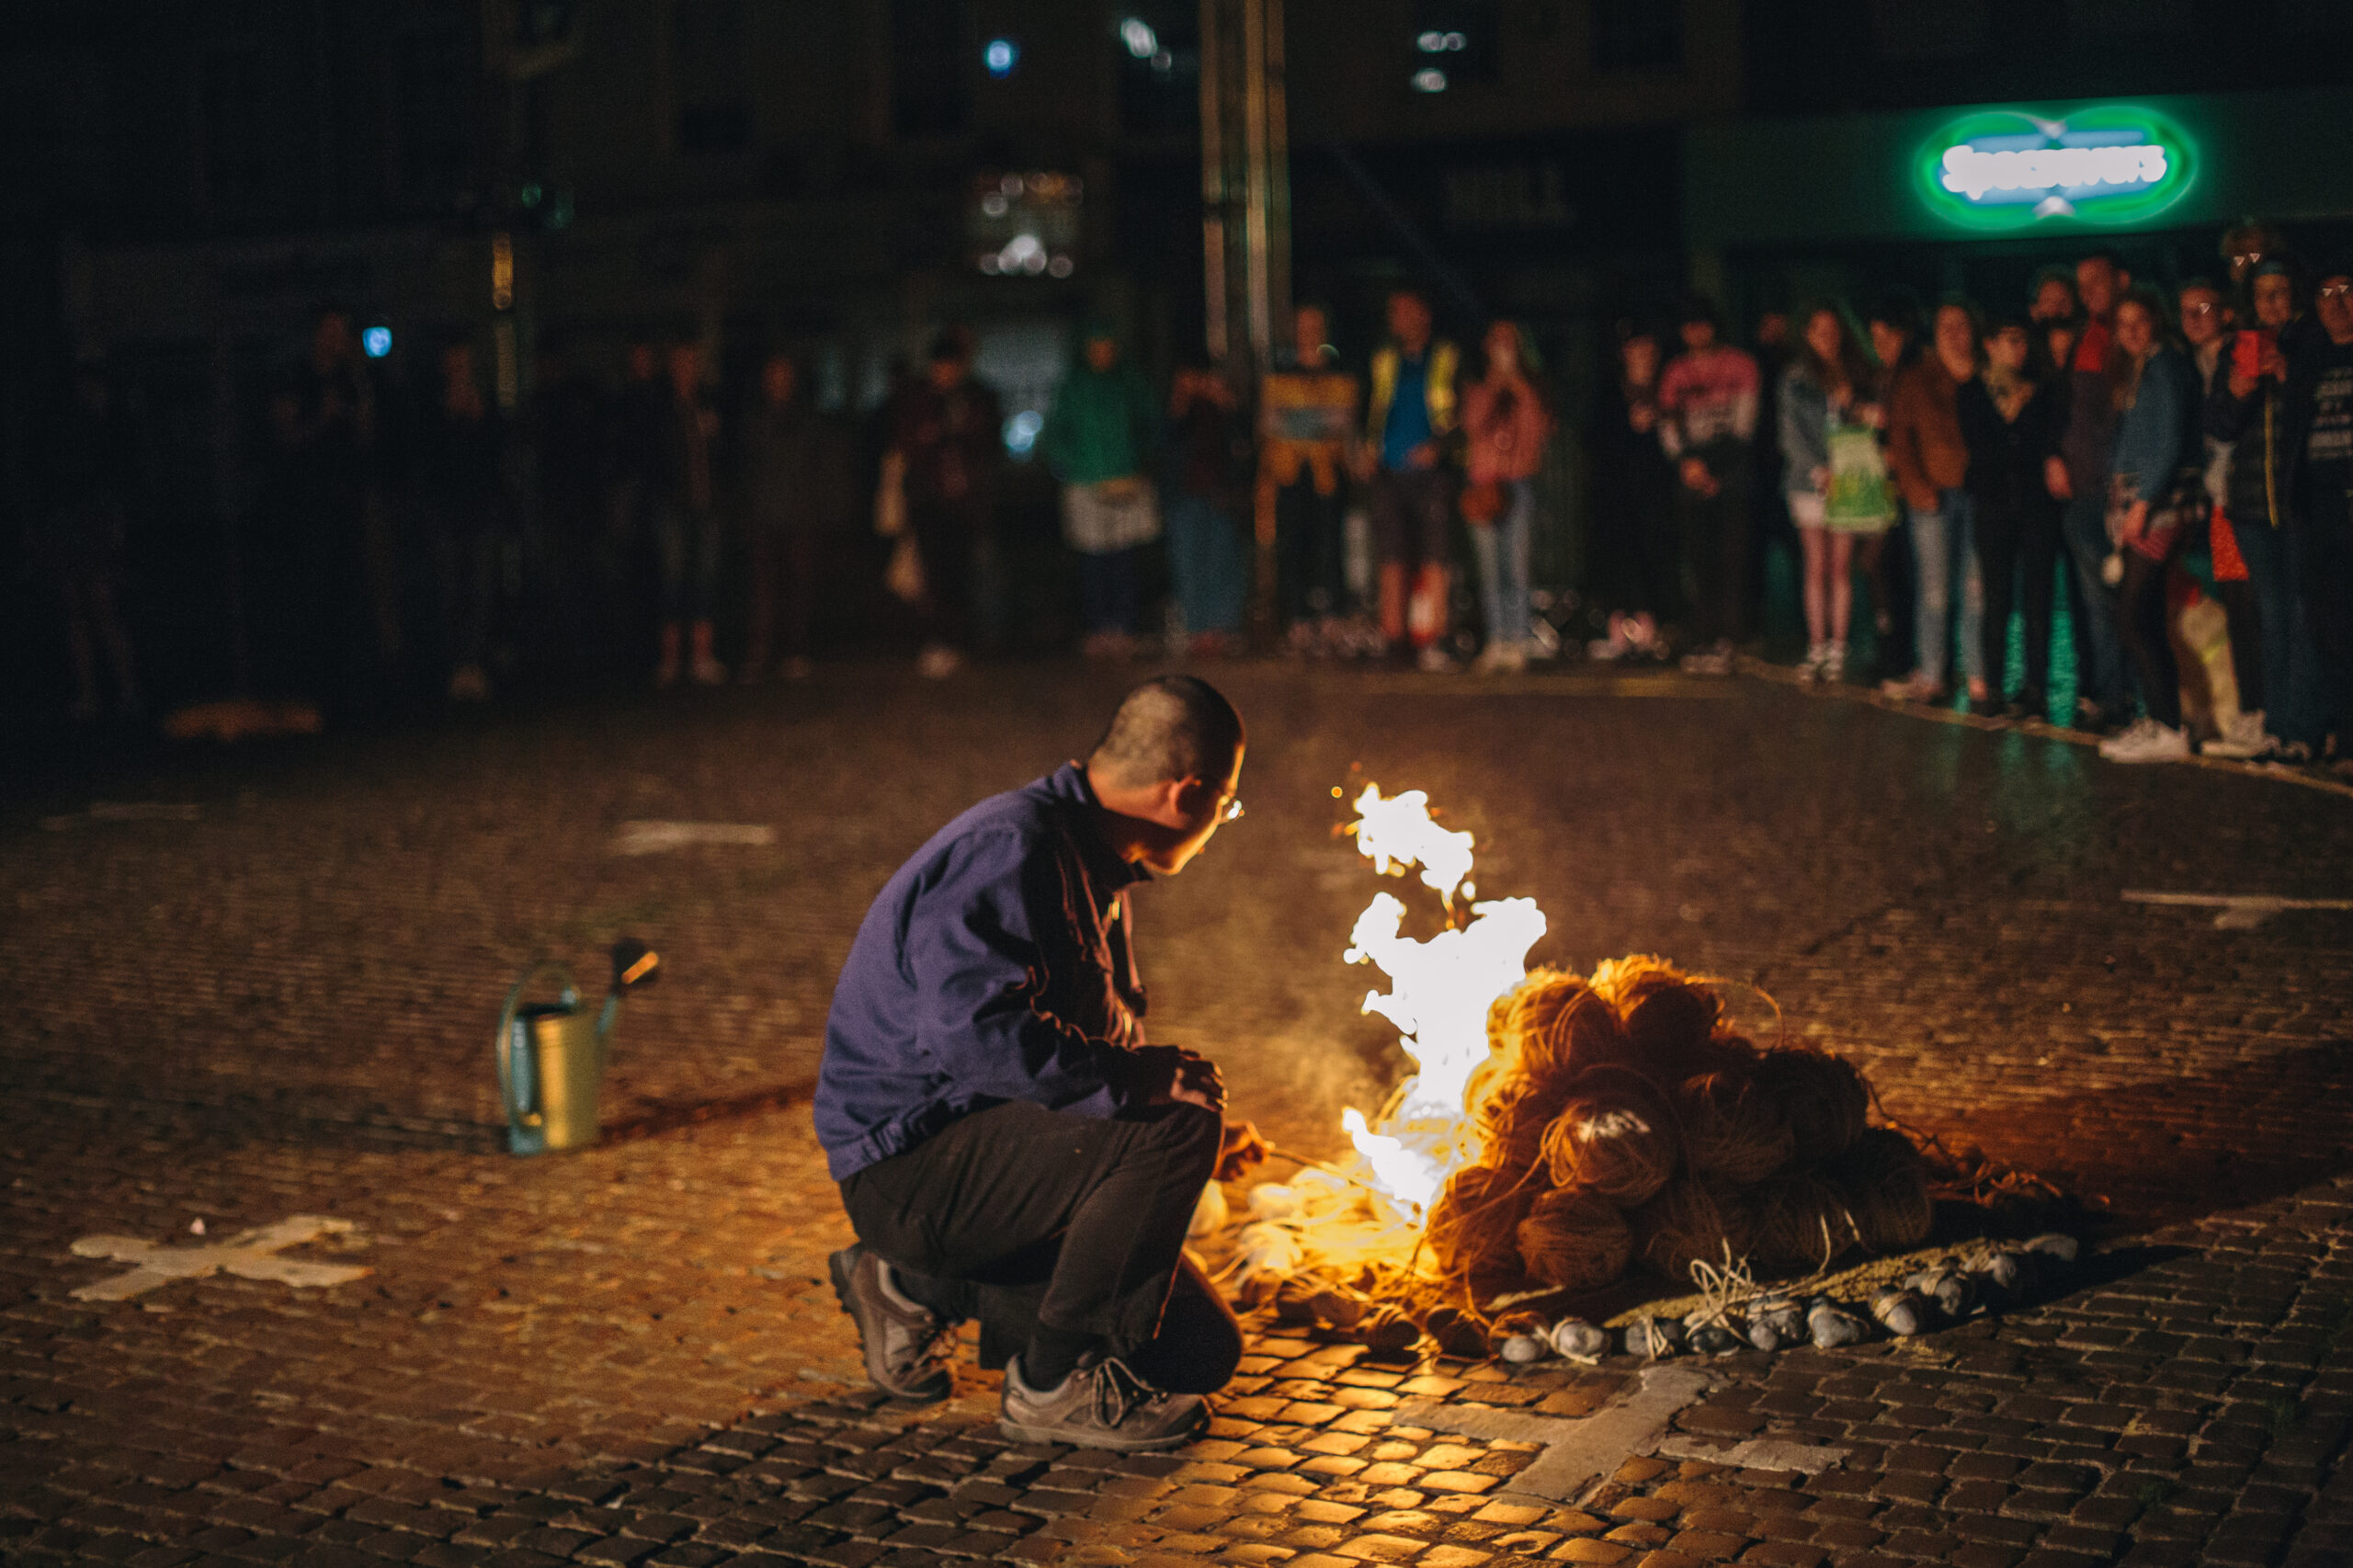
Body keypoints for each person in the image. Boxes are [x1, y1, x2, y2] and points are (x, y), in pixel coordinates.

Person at [817, 676, 1251, 1449]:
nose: (1223, 824)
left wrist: (1160, 1116)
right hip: (910, 1172)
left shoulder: (1097, 860)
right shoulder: (1012, 847)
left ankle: (905, 1287)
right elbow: (974, 1037)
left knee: (1197, 1351)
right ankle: (1052, 1386)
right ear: (1186, 794)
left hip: (987, 1161)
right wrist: (1150, 1098)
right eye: (1228, 806)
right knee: (1176, 1124)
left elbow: (1088, 1051)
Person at [2205, 257, 2321, 760]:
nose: (2272, 303)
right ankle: (2276, 724)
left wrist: (2288, 372)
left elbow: (2321, 409)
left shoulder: (2312, 341)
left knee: (2303, 612)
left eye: (2281, 291)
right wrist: (2237, 391)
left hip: (2301, 502)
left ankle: (2304, 726)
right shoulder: (2237, 347)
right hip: (2252, 504)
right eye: (2262, 294)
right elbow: (2220, 425)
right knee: (2271, 614)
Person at [2097, 290, 2202, 764]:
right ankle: (2160, 718)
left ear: (2155, 321)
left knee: (2131, 614)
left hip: (2157, 505)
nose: (2131, 331)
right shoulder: (2142, 369)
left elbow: (2170, 438)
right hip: (2139, 501)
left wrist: (2142, 502)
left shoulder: (2165, 366)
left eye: (2140, 320)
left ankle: (2168, 727)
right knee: (2145, 614)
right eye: (2123, 323)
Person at [1958, 312, 2064, 720]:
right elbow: (1982, 446)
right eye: (2009, 339)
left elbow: (2044, 440)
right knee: (1996, 598)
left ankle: (2035, 690)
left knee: (2038, 599)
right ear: (1990, 344)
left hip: (2037, 506)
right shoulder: (1972, 392)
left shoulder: (2042, 389)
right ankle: (1995, 687)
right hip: (1994, 506)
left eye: (2023, 340)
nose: (2018, 348)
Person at [1779, 303, 1890, 684]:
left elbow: (1877, 422)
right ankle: (1817, 647)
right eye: (1818, 330)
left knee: (1841, 567)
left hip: (1850, 480)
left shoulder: (1860, 376)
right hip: (1808, 483)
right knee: (1816, 566)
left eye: (1832, 330)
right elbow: (1790, 433)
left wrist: (1852, 405)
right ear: (1807, 335)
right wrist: (1816, 469)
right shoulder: (1795, 377)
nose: (1826, 338)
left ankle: (1839, 648)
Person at [1883, 300, 1984, 706]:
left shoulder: (1985, 374)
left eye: (1962, 324)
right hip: (1932, 498)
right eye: (1945, 325)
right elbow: (1900, 438)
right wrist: (1915, 487)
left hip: (1979, 496)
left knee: (1976, 590)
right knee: (1935, 590)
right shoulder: (1916, 378)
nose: (1954, 333)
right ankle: (1932, 672)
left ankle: (1978, 673)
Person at [1041, 323, 1162, 658]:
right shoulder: (1073, 387)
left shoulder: (1131, 384)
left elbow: (1151, 426)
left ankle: (1123, 626)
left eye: (1107, 346)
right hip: (1086, 485)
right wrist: (1074, 466)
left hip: (1127, 483)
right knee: (1093, 559)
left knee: (1122, 559)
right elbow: (1055, 435)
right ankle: (1097, 627)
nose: (1102, 354)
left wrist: (1138, 461)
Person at [891, 328, 1004, 678]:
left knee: (962, 571)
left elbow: (989, 444)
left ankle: (962, 640)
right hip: (928, 499)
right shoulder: (918, 399)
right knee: (932, 574)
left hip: (966, 501)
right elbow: (908, 443)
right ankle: (936, 640)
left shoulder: (977, 398)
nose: (946, 373)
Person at [1657, 295, 1760, 675]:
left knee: (1732, 558)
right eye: (1689, 325)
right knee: (1699, 562)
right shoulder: (1675, 372)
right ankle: (1703, 634)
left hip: (1731, 474)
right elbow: (1667, 426)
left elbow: (1744, 427)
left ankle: (1730, 638)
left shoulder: (1741, 365)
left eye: (1702, 323)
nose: (1696, 332)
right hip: (1690, 475)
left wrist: (1711, 467)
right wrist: (1687, 463)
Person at [35, 362, 141, 722]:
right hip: (70, 523)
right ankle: (89, 695)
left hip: (97, 522)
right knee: (76, 611)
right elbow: (50, 481)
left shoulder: (113, 429)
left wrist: (117, 527)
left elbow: (120, 483)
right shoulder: (64, 431)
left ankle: (127, 692)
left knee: (103, 607)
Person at [1363, 288, 1461, 669]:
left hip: (1433, 472)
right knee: (1392, 556)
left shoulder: (1448, 356)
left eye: (1404, 310)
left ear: (1424, 314)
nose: (1396, 318)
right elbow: (1372, 405)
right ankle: (1393, 639)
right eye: (1392, 311)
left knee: (1436, 556)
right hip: (1388, 472)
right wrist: (1367, 449)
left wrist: (1441, 446)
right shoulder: (1384, 358)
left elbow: (1460, 410)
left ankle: (1434, 638)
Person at [2057, 250, 2133, 732]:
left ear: (2121, 280)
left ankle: (2120, 701)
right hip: (2081, 491)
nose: (2088, 294)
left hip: (2112, 495)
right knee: (2096, 604)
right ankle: (2108, 695)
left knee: (2118, 603)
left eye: (2097, 283)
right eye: (2081, 285)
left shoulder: (2125, 339)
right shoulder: (2086, 337)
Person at [410, 337, 508, 702]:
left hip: (482, 511)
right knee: (449, 591)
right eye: (452, 360)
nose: (458, 367)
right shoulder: (429, 405)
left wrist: (482, 418)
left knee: (481, 591)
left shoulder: (487, 401)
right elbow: (423, 457)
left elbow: (500, 449)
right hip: (444, 513)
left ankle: (475, 665)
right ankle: (453, 667)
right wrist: (448, 418)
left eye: (462, 359)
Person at [740, 352, 846, 681]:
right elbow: (745, 469)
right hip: (763, 514)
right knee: (763, 587)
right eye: (773, 376)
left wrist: (819, 509)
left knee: (798, 584)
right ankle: (761, 650)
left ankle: (794, 650)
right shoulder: (755, 419)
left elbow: (822, 469)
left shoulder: (808, 419)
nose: (778, 383)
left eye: (784, 376)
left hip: (800, 516)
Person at [1258, 303, 1358, 654]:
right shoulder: (1279, 373)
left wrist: (1297, 419)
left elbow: (1342, 420)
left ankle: (1332, 620)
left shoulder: (1339, 373)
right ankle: (1299, 621)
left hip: (1328, 475)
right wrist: (1317, 419)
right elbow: (1270, 422)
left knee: (1330, 547)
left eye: (1315, 325)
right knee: (1293, 547)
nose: (1309, 332)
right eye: (1303, 325)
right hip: (1289, 473)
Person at [1460, 320, 1553, 673]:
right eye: (1495, 341)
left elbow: (1536, 434)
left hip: (1517, 487)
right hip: (1484, 487)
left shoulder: (1530, 389)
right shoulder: (1478, 387)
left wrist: (1516, 383)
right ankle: (1497, 639)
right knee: (1489, 569)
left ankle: (1518, 639)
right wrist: (1494, 384)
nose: (1501, 349)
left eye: (1508, 342)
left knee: (1516, 566)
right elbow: (1473, 426)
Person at [1586, 324, 1678, 661]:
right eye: (1637, 350)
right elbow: (1595, 439)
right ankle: (1618, 636)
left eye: (1649, 351)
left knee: (1653, 557)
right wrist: (1628, 423)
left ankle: (1649, 634)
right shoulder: (1610, 392)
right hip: (1615, 495)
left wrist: (1659, 420)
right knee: (1617, 559)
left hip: (1655, 494)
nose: (1643, 357)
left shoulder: (1667, 389)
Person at [2293, 254, 2353, 770]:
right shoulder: (2309, 360)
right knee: (2329, 627)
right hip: (2321, 507)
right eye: (2327, 295)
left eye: (2347, 291)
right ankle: (2341, 732)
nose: (2338, 304)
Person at [652, 341, 726, 687]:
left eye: (691, 362)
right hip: (672, 508)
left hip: (706, 507)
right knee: (673, 578)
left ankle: (700, 656)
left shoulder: (708, 403)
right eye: (680, 362)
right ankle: (670, 659)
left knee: (704, 579)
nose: (686, 369)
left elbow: (720, 452)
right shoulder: (661, 407)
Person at [1164, 362, 1251, 655]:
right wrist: (1181, 400)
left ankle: (1221, 628)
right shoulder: (1179, 410)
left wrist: (1228, 404)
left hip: (1221, 494)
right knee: (1188, 562)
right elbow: (1166, 445)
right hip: (1185, 495)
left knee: (1223, 559)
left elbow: (1243, 445)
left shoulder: (1226, 409)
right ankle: (1197, 629)